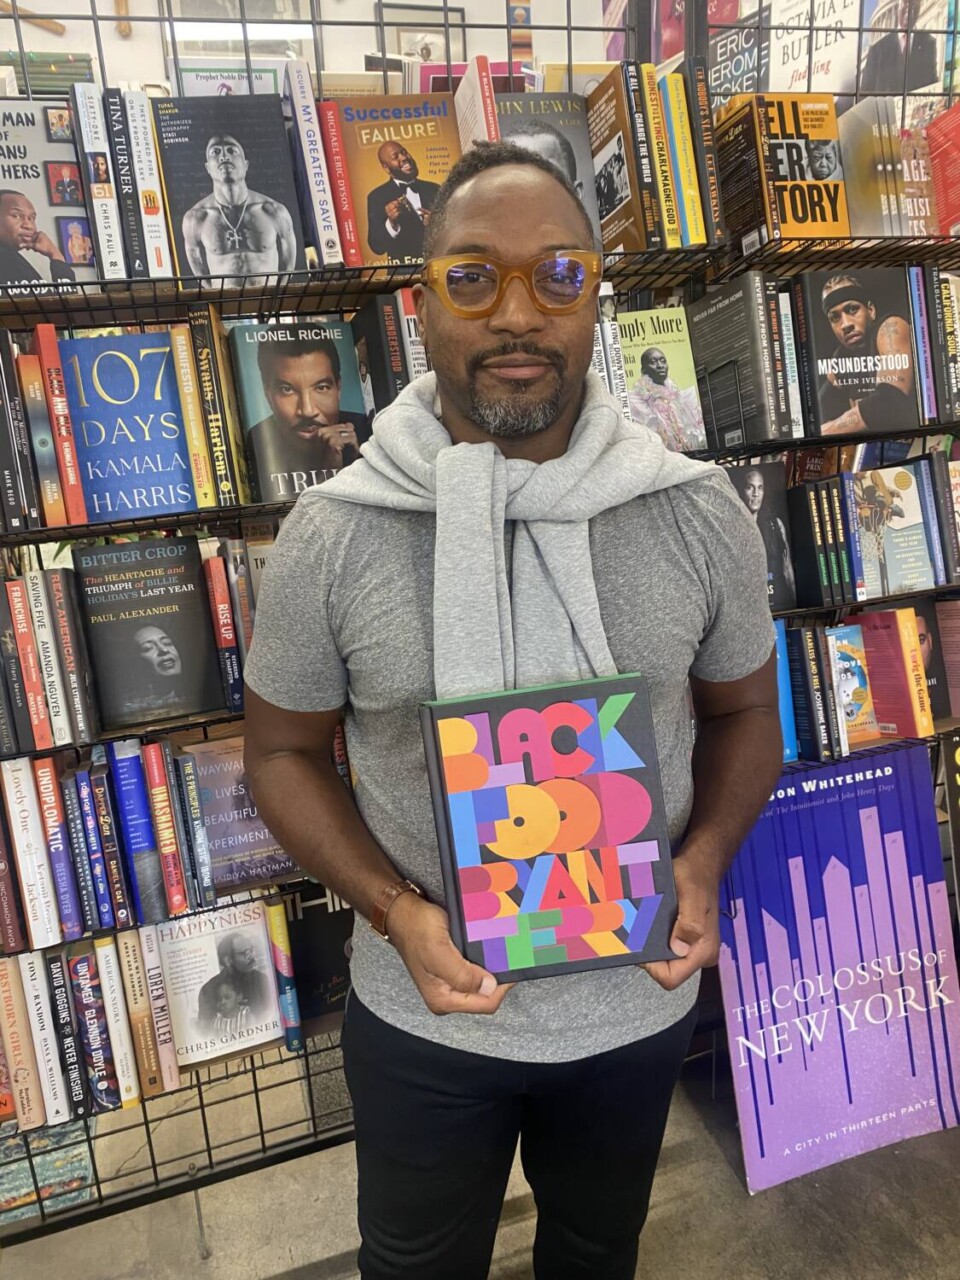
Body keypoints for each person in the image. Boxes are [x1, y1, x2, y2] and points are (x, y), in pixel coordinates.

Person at [243, 140, 781, 1280]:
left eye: (560, 275)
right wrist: (394, 910)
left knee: (595, 1253)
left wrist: (704, 859)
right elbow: (282, 752)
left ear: (601, 297)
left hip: (632, 1004)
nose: (519, 313)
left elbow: (744, 715)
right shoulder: (332, 535)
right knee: (414, 1263)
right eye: (474, 276)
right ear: (419, 303)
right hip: (425, 1011)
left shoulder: (695, 513)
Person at [246, 336, 371, 493]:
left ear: (338, 388)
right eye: (287, 389)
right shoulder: (258, 439)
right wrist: (329, 474)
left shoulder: (365, 428)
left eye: (321, 387)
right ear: (267, 393)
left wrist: (358, 465)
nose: (307, 411)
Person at [182, 134, 298, 288]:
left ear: (246, 164)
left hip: (269, 304)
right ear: (208, 168)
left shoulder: (273, 211)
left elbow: (288, 267)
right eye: (215, 152)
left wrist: (275, 301)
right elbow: (197, 267)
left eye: (232, 151)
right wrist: (219, 299)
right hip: (226, 307)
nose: (224, 156)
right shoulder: (196, 218)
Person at [817, 273, 915, 435]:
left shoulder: (890, 329)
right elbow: (817, 410)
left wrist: (824, 432)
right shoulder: (841, 358)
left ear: (871, 310)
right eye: (835, 317)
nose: (846, 324)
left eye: (852, 309)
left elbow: (890, 401)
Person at [731, 466, 796, 610]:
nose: (756, 494)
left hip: (779, 603)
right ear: (742, 490)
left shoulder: (776, 526)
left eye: (760, 488)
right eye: (750, 487)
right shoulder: (731, 528)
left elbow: (787, 570)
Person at [365, 141, 441, 263]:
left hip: (437, 267)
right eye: (395, 157)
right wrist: (391, 223)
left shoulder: (435, 189)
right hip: (402, 274)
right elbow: (377, 247)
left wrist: (437, 224)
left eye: (404, 152)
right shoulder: (376, 197)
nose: (404, 157)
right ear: (386, 168)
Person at [628, 344, 706, 453]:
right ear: (643, 369)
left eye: (663, 361)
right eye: (653, 361)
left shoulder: (680, 397)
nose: (660, 365)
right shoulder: (635, 401)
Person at [861, 0, 938, 94]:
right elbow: (865, 93)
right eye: (906, 3)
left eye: (915, 5)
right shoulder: (877, 50)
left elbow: (932, 83)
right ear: (898, 6)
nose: (910, 9)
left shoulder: (929, 44)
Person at [198, 932, 272, 1029]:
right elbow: (205, 1032)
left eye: (251, 950)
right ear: (228, 960)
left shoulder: (260, 979)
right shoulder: (208, 990)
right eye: (245, 953)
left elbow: (269, 1017)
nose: (252, 957)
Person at [0, 189, 75, 286]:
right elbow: (66, 299)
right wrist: (55, 254)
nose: (29, 226)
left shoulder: (9, 255)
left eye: (31, 218)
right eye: (16, 216)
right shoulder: (6, 258)